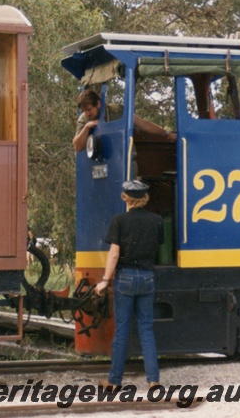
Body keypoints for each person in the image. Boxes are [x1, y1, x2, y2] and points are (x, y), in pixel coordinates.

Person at [95, 180, 163, 389]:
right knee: (146, 330)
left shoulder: (120, 220)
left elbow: (114, 253)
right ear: (144, 199)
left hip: (125, 278)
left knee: (122, 329)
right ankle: (153, 381)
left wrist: (105, 281)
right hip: (147, 278)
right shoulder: (157, 220)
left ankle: (114, 381)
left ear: (126, 198)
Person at [73, 89, 177, 152]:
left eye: (89, 109)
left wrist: (166, 133)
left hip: (122, 157)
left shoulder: (117, 110)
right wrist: (87, 127)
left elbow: (143, 124)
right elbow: (77, 146)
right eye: (84, 111)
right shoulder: (84, 119)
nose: (87, 113)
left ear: (98, 104)